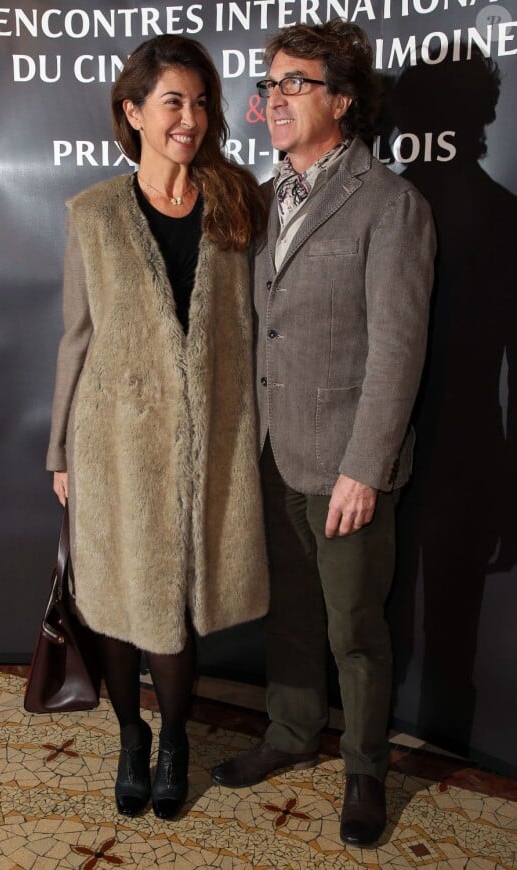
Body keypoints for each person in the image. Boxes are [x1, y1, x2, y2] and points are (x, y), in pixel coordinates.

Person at [211, 20, 436, 847]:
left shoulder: (391, 204)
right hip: (274, 451)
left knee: (355, 631)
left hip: (347, 464)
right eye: (269, 85)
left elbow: (398, 352)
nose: (275, 98)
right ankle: (291, 732)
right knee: (294, 617)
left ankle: (366, 772)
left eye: (296, 83)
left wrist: (364, 469)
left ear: (343, 99)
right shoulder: (263, 197)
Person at [46, 34, 269, 821]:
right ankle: (131, 736)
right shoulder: (94, 215)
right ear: (132, 112)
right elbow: (78, 337)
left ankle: (174, 738)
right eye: (173, 101)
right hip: (111, 443)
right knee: (115, 602)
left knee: (176, 607)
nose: (191, 118)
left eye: (201, 101)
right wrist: (59, 452)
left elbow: (257, 327)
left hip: (212, 444)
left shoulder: (240, 199)